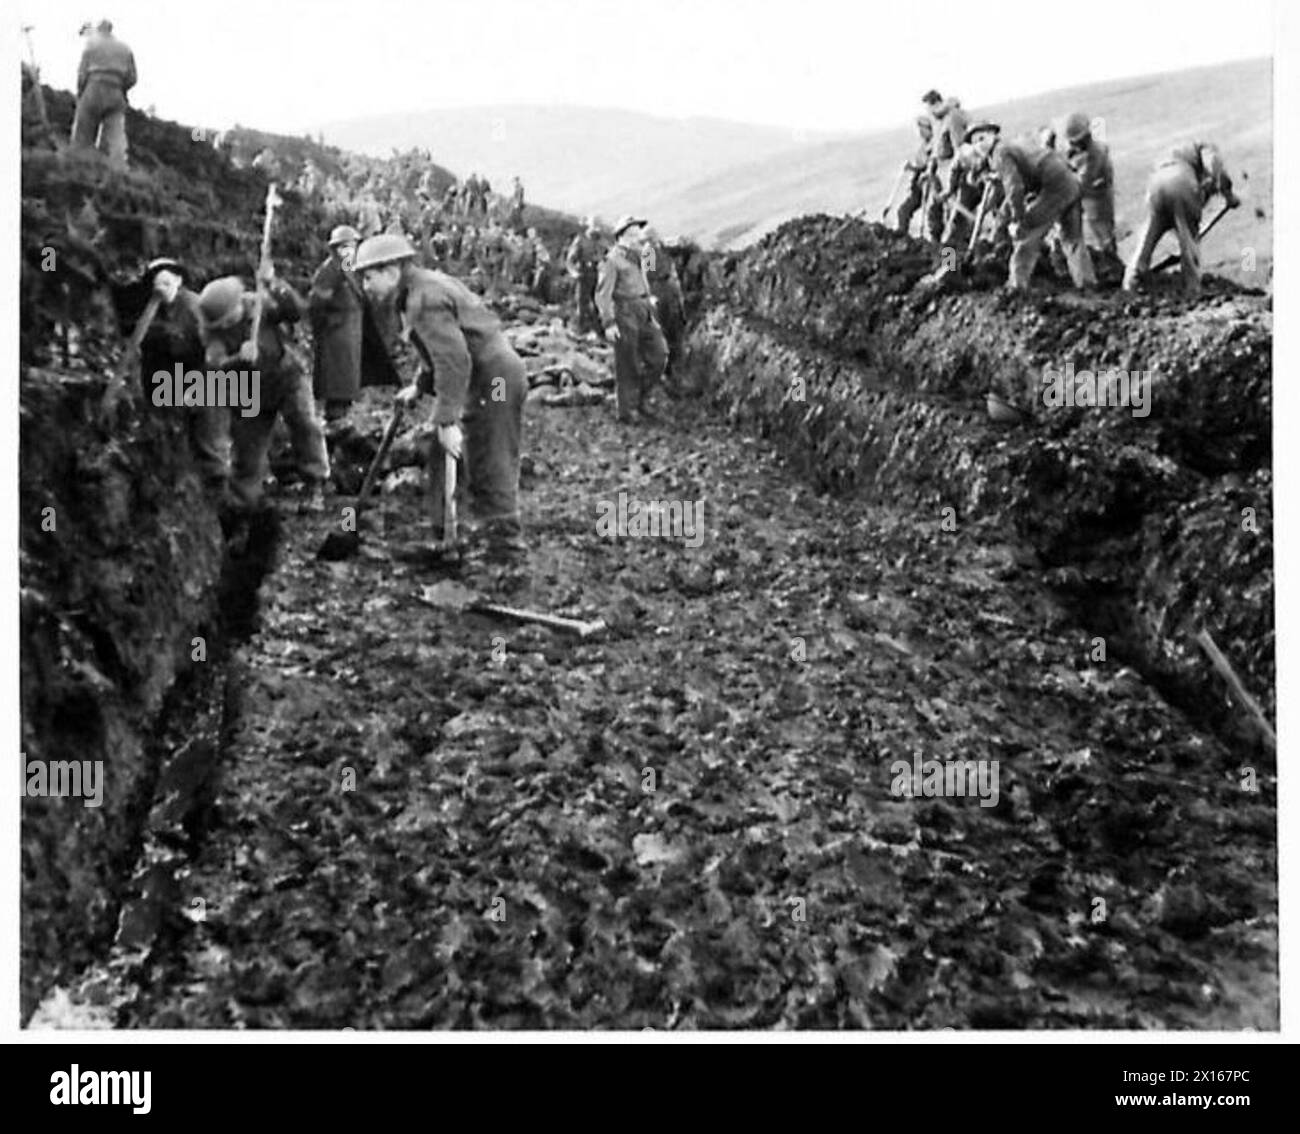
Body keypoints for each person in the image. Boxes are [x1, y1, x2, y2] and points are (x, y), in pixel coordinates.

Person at [352, 233, 528, 562]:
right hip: (489, 373)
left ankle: (504, 546)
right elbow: (438, 349)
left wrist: (446, 417)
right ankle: (447, 532)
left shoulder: (424, 299)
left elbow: (454, 360)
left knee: (489, 453)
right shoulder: (419, 288)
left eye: (368, 276)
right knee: (447, 449)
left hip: (495, 379)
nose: (366, 286)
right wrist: (420, 386)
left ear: (391, 270)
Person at [197, 269, 330, 511]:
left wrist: (276, 285)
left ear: (240, 302)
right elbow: (214, 366)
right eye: (223, 322)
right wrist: (238, 358)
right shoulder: (214, 333)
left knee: (304, 424)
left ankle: (315, 484)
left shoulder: (260, 303)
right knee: (247, 450)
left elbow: (295, 312)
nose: (227, 324)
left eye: (230, 317)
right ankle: (245, 504)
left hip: (286, 376)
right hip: (248, 394)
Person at [968, 121, 1096, 291]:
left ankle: (1016, 287)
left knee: (1027, 233)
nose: (979, 145)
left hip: (1054, 185)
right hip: (1069, 181)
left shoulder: (1000, 153)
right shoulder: (1007, 148)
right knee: (1072, 238)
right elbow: (1012, 191)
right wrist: (1002, 219)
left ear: (994, 135)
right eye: (975, 142)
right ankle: (1087, 284)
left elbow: (1015, 188)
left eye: (982, 138)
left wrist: (1018, 220)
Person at [1123, 141, 1238, 298]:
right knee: (1188, 240)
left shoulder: (1173, 152)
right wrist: (1229, 195)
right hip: (1181, 182)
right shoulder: (1205, 147)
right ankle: (1192, 290)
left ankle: (1132, 281)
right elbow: (1214, 167)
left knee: (1149, 234)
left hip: (1156, 185)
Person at [596, 216, 668, 423]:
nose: (639, 238)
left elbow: (649, 274)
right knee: (628, 363)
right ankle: (627, 410)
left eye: (639, 234)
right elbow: (602, 294)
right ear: (622, 237)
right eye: (634, 234)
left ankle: (640, 399)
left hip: (644, 309)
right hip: (624, 311)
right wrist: (608, 322)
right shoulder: (611, 261)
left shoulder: (640, 255)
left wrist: (649, 296)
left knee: (659, 356)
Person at [308, 225, 364, 422]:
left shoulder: (352, 269)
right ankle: (333, 425)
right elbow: (316, 305)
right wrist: (325, 326)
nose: (350, 251)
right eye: (344, 247)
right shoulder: (329, 270)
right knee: (336, 391)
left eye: (353, 246)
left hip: (352, 335)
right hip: (335, 336)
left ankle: (340, 425)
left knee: (346, 392)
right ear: (335, 249)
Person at [70, 19, 136, 167]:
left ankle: (79, 166)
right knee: (116, 138)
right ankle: (119, 170)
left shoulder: (91, 45)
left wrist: (80, 94)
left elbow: (82, 74)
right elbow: (132, 78)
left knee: (83, 134)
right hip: (116, 92)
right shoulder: (125, 48)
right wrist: (121, 88)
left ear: (99, 29)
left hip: (93, 88)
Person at [1060, 112, 1117, 260]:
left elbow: (1082, 183)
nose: (1073, 145)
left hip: (1097, 198)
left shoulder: (1096, 154)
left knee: (1104, 237)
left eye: (1075, 142)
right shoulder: (1083, 151)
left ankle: (1111, 263)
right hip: (1090, 196)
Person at [921, 90, 971, 242]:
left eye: (928, 108)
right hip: (944, 174)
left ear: (934, 104)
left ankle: (950, 264)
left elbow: (960, 149)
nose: (928, 112)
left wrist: (951, 186)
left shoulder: (952, 117)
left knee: (954, 226)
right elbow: (937, 149)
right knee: (944, 221)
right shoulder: (939, 122)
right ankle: (947, 258)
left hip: (956, 175)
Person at [641, 227, 686, 386]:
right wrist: (652, 296)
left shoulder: (660, 248)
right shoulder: (649, 252)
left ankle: (674, 369)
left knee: (676, 325)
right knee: (665, 329)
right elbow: (648, 276)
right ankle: (666, 372)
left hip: (668, 288)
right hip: (659, 290)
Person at [894, 117, 935, 234]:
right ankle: (902, 234)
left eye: (923, 129)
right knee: (903, 211)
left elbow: (929, 164)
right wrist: (911, 167)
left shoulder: (934, 145)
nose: (921, 132)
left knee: (931, 217)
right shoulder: (924, 145)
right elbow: (921, 165)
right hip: (918, 185)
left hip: (928, 185)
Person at [565, 218, 605, 336]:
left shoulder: (601, 242)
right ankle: (580, 329)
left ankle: (598, 330)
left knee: (598, 303)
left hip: (597, 275)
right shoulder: (581, 241)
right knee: (582, 303)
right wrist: (574, 273)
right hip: (583, 274)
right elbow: (570, 260)